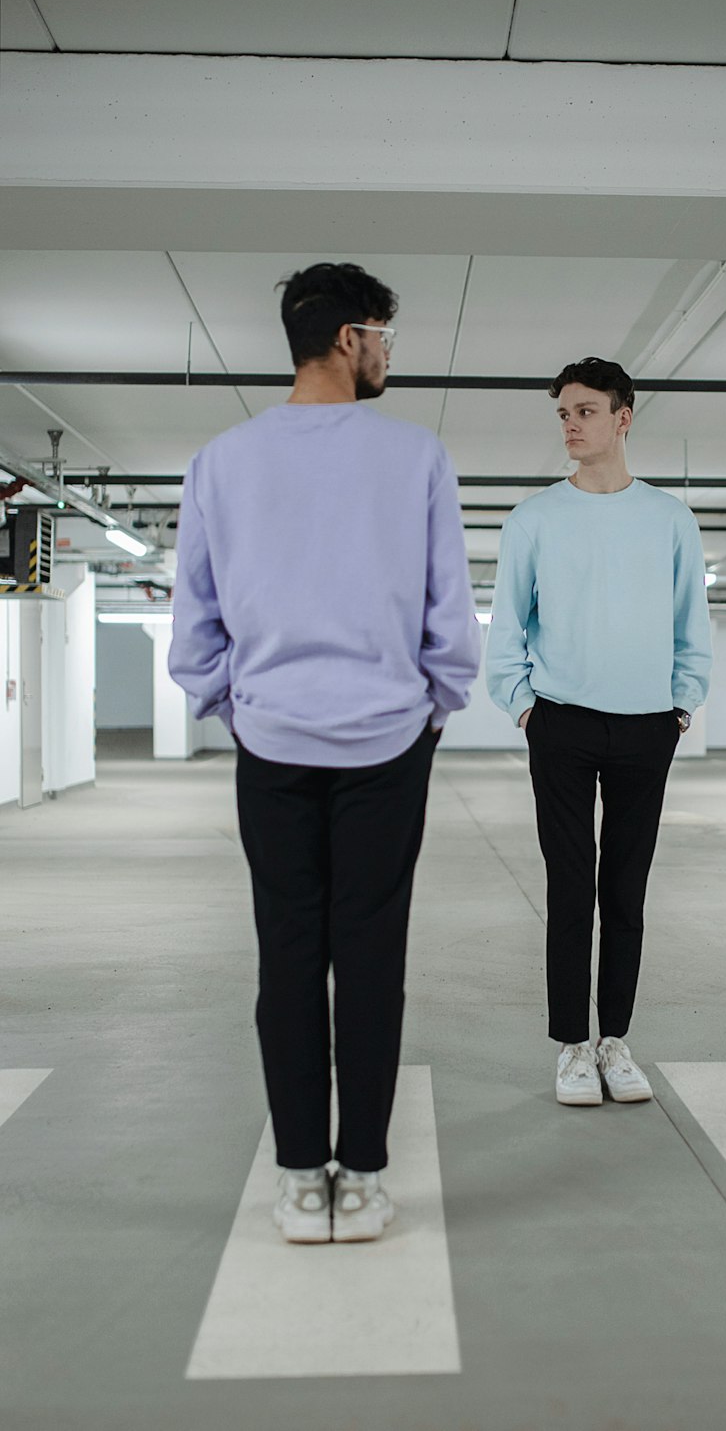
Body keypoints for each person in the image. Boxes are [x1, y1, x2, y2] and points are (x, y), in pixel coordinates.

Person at [169, 262, 480, 1244]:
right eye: (385, 334)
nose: (388, 353)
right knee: (371, 954)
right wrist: (430, 706)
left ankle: (302, 1177)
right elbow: (448, 614)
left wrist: (237, 706)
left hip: (271, 740)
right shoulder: (417, 455)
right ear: (350, 338)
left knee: (289, 954)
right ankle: (368, 1173)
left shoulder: (220, 461)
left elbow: (194, 625)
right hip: (389, 741)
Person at [485, 357, 711, 1107]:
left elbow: (691, 625)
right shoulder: (535, 518)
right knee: (570, 886)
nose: (570, 425)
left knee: (626, 888)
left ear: (623, 418)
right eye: (563, 414)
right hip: (562, 724)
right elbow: (506, 626)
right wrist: (524, 708)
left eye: (584, 411)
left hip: (649, 726)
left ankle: (615, 1038)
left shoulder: (670, 519)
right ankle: (570, 1047)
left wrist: (682, 706)